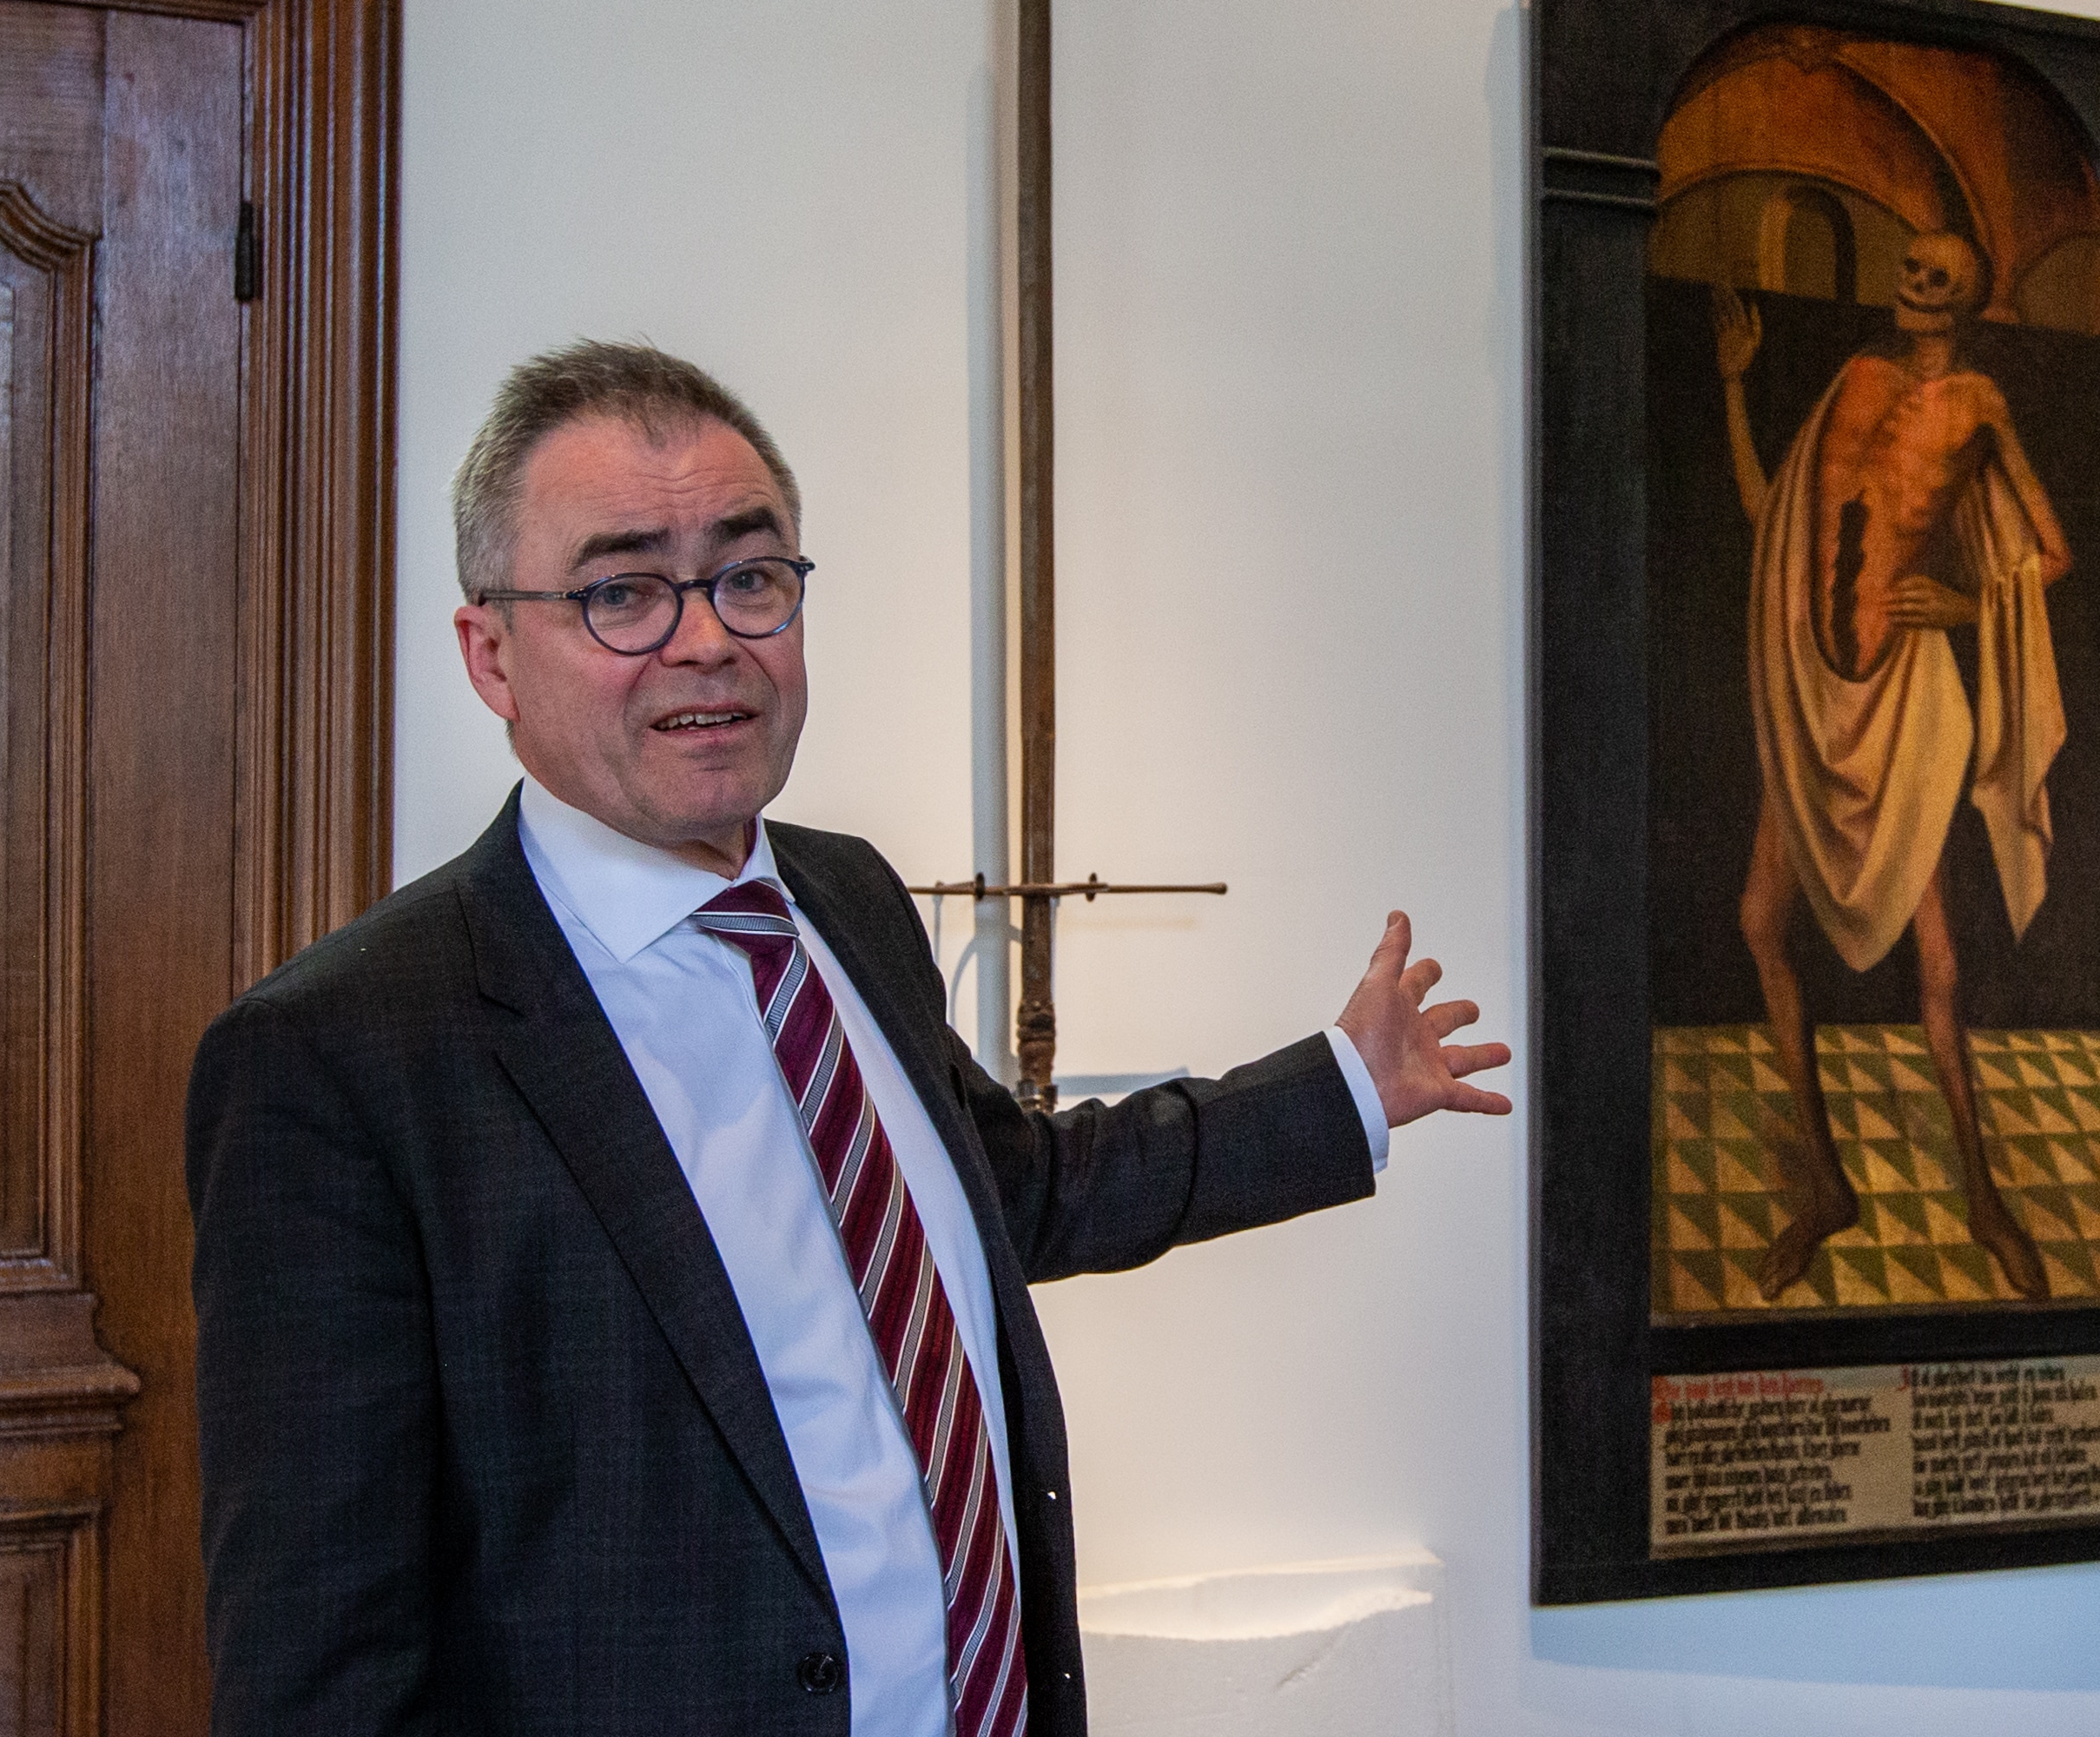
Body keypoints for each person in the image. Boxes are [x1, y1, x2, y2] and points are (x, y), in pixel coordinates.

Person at [185, 340, 1510, 1737]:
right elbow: (319, 1672)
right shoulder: (340, 1060)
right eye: (622, 592)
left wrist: (1341, 1091)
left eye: (749, 576)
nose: (706, 640)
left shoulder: (848, 899)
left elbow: (1012, 1192)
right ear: (491, 655)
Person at [1711, 232, 2070, 1303]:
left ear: (1969, 301)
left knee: (1940, 968)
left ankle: (1986, 1200)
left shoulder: (1978, 406)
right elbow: (1768, 517)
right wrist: (1734, 386)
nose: (1914, 286)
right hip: (1812, 694)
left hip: (1906, 701)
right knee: (1761, 920)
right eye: (1910, 268)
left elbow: (2052, 551)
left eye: (1938, 278)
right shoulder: (1856, 380)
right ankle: (1827, 1187)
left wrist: (1965, 604)